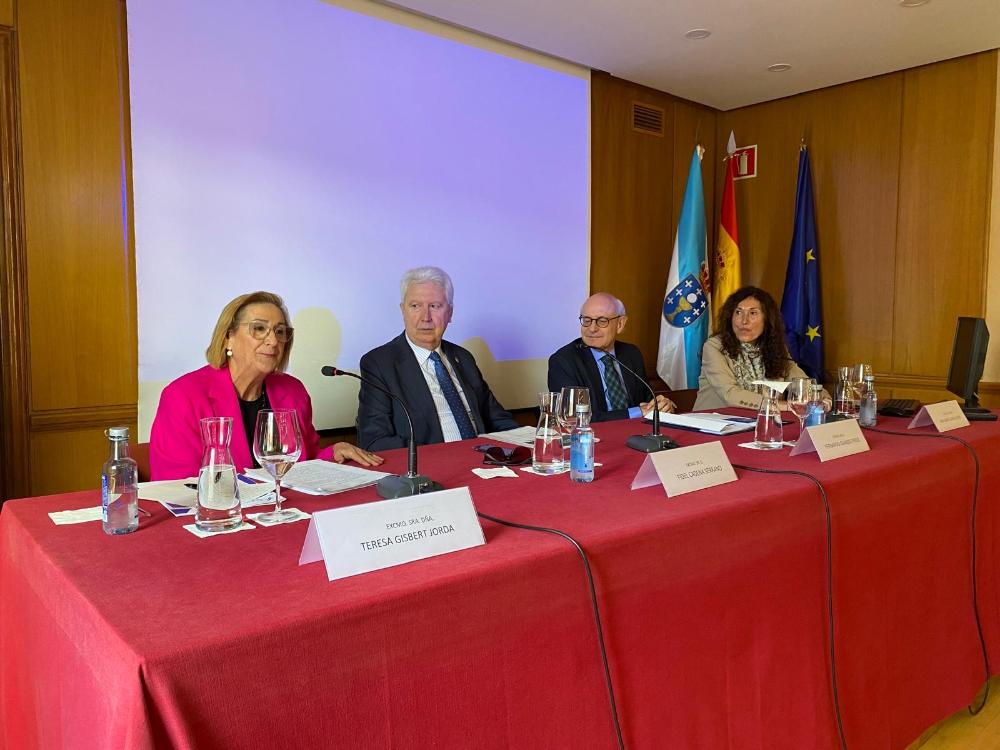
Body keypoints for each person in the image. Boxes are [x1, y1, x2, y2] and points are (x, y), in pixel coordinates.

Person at [150, 291, 382, 480]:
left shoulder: (293, 391)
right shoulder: (183, 396)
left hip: (285, 511)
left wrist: (333, 453)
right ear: (229, 337)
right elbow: (178, 483)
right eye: (259, 329)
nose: (273, 341)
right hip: (220, 515)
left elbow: (305, 462)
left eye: (280, 332)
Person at [357, 266, 520, 451]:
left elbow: (497, 419)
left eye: (435, 306)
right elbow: (375, 440)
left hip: (482, 458)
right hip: (431, 464)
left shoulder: (463, 358)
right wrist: (440, 457)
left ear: (449, 313)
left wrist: (528, 444)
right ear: (403, 311)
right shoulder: (380, 364)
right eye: (415, 306)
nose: (425, 317)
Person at [694, 286, 827, 410]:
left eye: (753, 313)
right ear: (730, 317)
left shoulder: (775, 347)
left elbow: (801, 382)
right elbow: (731, 395)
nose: (744, 321)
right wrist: (786, 406)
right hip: (712, 422)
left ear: (767, 319)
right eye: (738, 312)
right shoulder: (714, 347)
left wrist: (823, 398)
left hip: (759, 421)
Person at [548, 292, 674, 422]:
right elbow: (573, 417)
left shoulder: (632, 353)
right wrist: (637, 412)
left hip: (638, 431)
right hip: (594, 433)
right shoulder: (563, 361)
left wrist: (660, 406)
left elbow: (646, 400)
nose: (592, 328)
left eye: (602, 321)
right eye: (586, 320)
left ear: (620, 324)